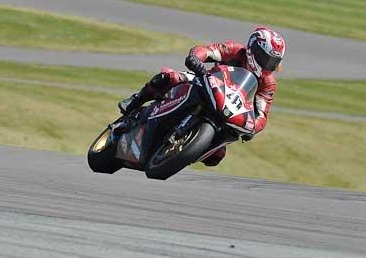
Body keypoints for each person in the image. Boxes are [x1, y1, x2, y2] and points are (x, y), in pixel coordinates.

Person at [118, 26, 286, 167]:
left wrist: (253, 128)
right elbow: (208, 51)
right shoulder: (236, 50)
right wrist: (195, 59)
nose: (267, 65)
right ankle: (137, 99)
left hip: (231, 109)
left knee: (217, 156)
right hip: (207, 82)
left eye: (273, 62)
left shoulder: (268, 82)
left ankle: (179, 153)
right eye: (265, 58)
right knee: (168, 77)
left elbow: (262, 114)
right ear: (253, 50)